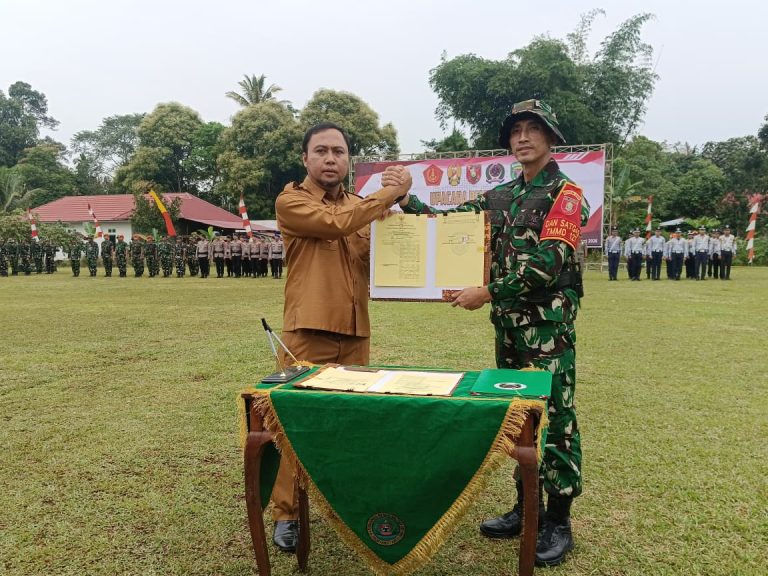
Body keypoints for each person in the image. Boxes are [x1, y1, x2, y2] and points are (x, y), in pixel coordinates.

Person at [395, 99, 587, 567]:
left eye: (532, 129)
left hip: (548, 331)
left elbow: (549, 261)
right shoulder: (499, 195)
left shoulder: (566, 194)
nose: (522, 138)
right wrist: (405, 199)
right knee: (518, 417)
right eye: (515, 131)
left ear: (551, 137)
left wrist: (488, 292)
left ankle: (558, 520)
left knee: (556, 419)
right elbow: (447, 224)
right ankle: (526, 508)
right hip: (509, 331)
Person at [273, 122, 411, 554]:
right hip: (307, 331)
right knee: (295, 424)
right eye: (321, 151)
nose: (330, 159)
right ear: (305, 158)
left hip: (355, 331)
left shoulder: (359, 205)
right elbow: (335, 224)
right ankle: (287, 513)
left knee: (353, 422)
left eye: (339, 151)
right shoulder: (291, 200)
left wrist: (403, 207)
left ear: (349, 159)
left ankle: (345, 503)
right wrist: (389, 193)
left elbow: (387, 249)